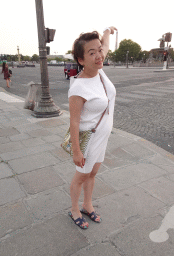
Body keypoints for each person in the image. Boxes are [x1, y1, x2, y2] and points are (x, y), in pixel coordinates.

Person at [68, 26, 117, 229]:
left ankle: (88, 204)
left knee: (93, 174)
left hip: (102, 138)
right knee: (81, 177)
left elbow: (105, 44)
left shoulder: (99, 70)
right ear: (81, 60)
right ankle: (74, 209)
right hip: (88, 140)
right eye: (92, 52)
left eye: (99, 51)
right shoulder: (78, 87)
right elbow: (74, 121)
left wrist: (106, 32)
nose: (99, 55)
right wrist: (77, 151)